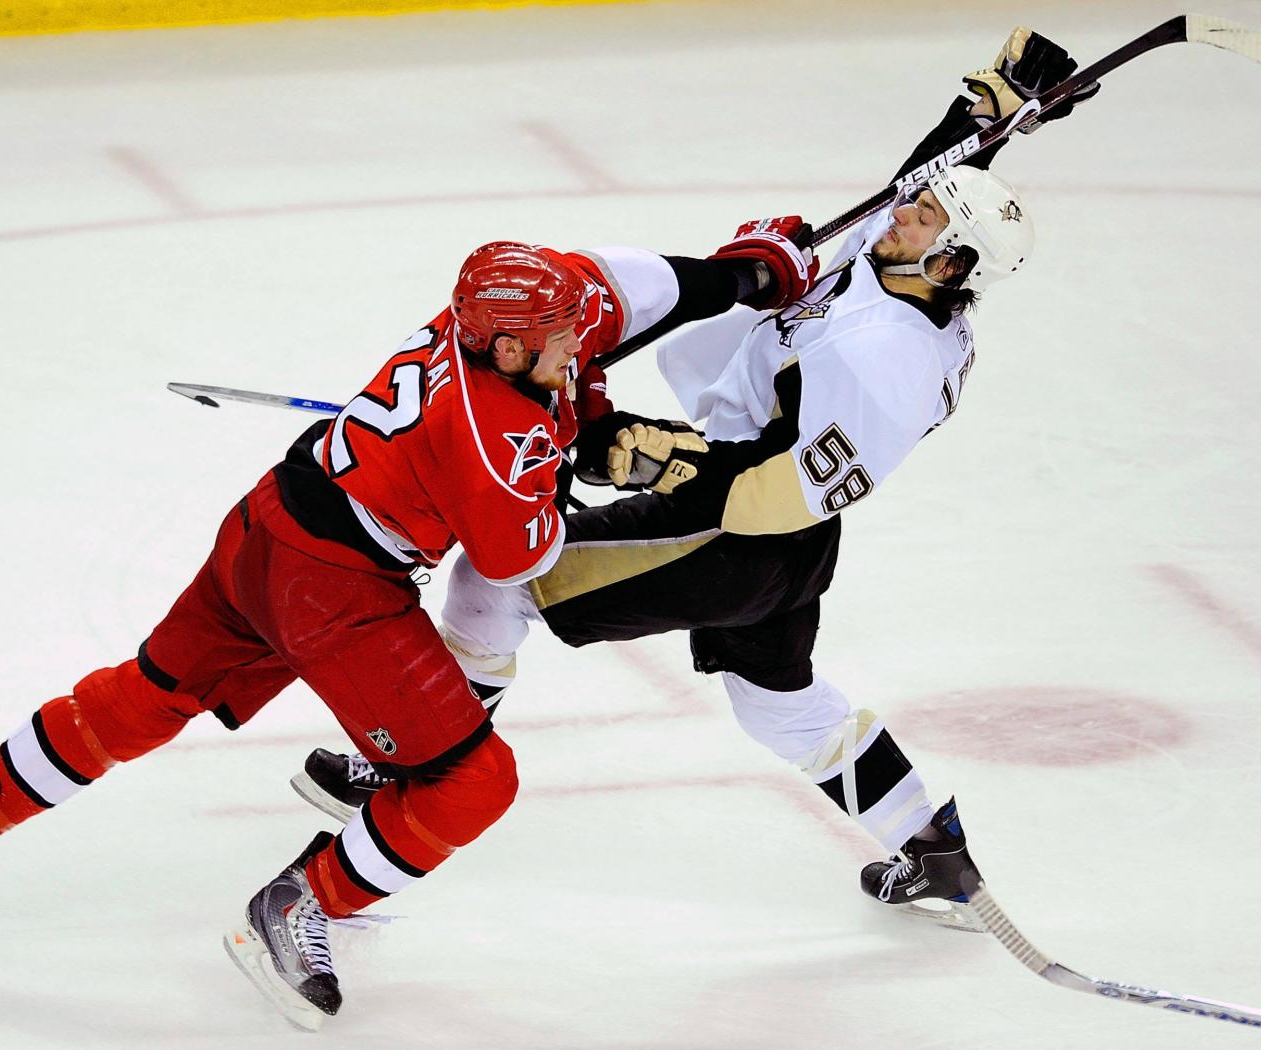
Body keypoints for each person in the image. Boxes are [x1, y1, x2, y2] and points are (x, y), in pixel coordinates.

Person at [0, 213, 820, 1026]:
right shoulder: (492, 432)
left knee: (155, 691)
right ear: (507, 349)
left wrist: (746, 275)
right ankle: (297, 905)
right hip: (336, 588)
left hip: (271, 520)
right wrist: (596, 454)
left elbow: (632, 288)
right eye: (563, 338)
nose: (581, 342)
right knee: (474, 781)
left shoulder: (511, 317)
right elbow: (520, 557)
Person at [293, 26, 1096, 933]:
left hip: (741, 536)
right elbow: (911, 191)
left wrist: (653, 457)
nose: (906, 215)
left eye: (928, 221)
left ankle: (415, 757)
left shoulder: (890, 364)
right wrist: (984, 119)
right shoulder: (911, 272)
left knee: (501, 577)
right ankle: (930, 846)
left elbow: (778, 493)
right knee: (779, 705)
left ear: (951, 264)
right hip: (782, 544)